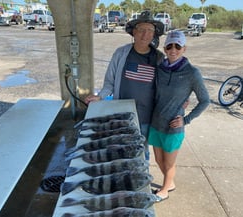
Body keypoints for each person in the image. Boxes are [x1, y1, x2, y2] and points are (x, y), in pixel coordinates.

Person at [85, 11, 164, 160]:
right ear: (134, 32)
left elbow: (167, 87)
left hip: (147, 117)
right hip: (122, 115)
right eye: (141, 30)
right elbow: (109, 82)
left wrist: (180, 101)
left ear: (154, 34)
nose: (145, 34)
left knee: (142, 153)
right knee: (120, 152)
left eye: (150, 31)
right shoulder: (121, 53)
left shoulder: (159, 58)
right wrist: (100, 96)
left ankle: (140, 181)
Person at [148, 30, 210, 202]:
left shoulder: (192, 73)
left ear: (184, 48)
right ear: (165, 48)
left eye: (177, 46)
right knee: (159, 160)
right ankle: (170, 183)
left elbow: (205, 101)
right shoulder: (160, 69)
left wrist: (186, 119)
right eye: (169, 46)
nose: (173, 50)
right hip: (156, 123)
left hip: (173, 127)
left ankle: (165, 190)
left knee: (169, 164)